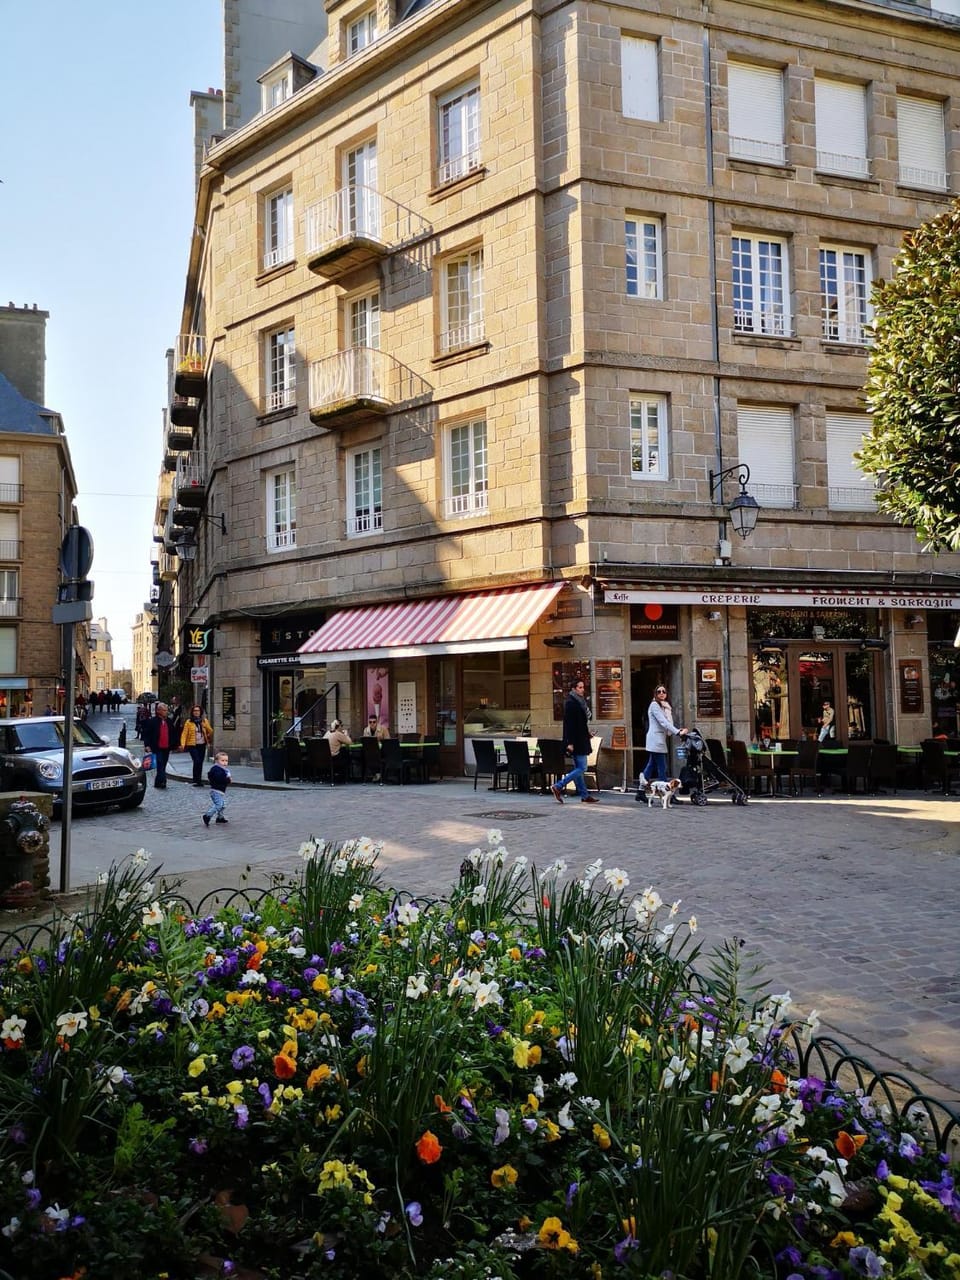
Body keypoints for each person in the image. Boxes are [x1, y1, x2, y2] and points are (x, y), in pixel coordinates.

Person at [550, 677, 599, 805]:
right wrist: (570, 743)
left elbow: (580, 723)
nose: (582, 690)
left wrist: (588, 733)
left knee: (579, 768)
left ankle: (584, 795)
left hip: (581, 738)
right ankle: (558, 786)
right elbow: (570, 725)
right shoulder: (571, 703)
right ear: (574, 689)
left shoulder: (580, 702)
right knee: (582, 768)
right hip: (576, 741)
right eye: (580, 687)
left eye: (583, 687)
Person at [637, 684, 687, 800]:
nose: (661, 693)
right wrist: (677, 732)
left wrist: (676, 730)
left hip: (659, 739)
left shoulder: (665, 706)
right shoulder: (654, 705)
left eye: (663, 691)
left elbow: (667, 722)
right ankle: (667, 793)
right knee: (662, 767)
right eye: (659, 691)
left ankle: (640, 792)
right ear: (655, 694)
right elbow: (663, 722)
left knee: (651, 765)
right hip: (656, 740)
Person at [141, 702, 173, 789]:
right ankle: (163, 781)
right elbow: (147, 734)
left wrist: (175, 745)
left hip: (166, 747)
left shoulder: (169, 721)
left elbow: (173, 734)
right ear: (159, 711)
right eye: (164, 710)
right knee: (160, 764)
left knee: (163, 764)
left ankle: (157, 782)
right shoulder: (152, 721)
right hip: (157, 747)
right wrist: (147, 745)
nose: (166, 712)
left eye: (166, 710)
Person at [180, 703, 214, 786]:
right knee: (196, 761)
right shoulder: (189, 722)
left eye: (198, 711)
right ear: (192, 712)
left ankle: (199, 780)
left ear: (200, 712)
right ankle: (195, 779)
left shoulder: (204, 721)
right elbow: (184, 734)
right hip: (192, 745)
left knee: (200, 762)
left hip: (202, 744)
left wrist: (205, 726)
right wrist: (182, 744)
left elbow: (211, 731)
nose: (196, 712)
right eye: (195, 711)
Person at [202, 751, 231, 826]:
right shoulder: (217, 769)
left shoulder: (223, 769)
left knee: (223, 805)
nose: (225, 762)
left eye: (226, 761)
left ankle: (220, 818)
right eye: (222, 760)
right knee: (219, 804)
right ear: (217, 761)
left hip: (220, 791)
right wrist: (228, 780)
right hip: (216, 791)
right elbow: (219, 779)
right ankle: (207, 815)